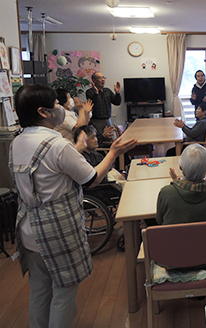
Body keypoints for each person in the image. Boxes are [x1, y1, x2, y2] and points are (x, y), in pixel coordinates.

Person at [9, 84, 136, 328]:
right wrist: (113, 153)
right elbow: (91, 179)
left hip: (27, 226)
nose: (61, 108)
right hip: (57, 227)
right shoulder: (57, 145)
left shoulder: (17, 142)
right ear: (43, 112)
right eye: (57, 105)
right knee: (65, 290)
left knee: (39, 290)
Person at [85, 72, 121, 136]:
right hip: (96, 121)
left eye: (103, 78)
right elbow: (97, 105)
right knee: (100, 139)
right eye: (99, 78)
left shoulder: (107, 91)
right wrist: (96, 93)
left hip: (107, 120)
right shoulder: (89, 92)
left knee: (110, 139)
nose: (103, 80)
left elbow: (117, 103)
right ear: (93, 80)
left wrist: (117, 93)